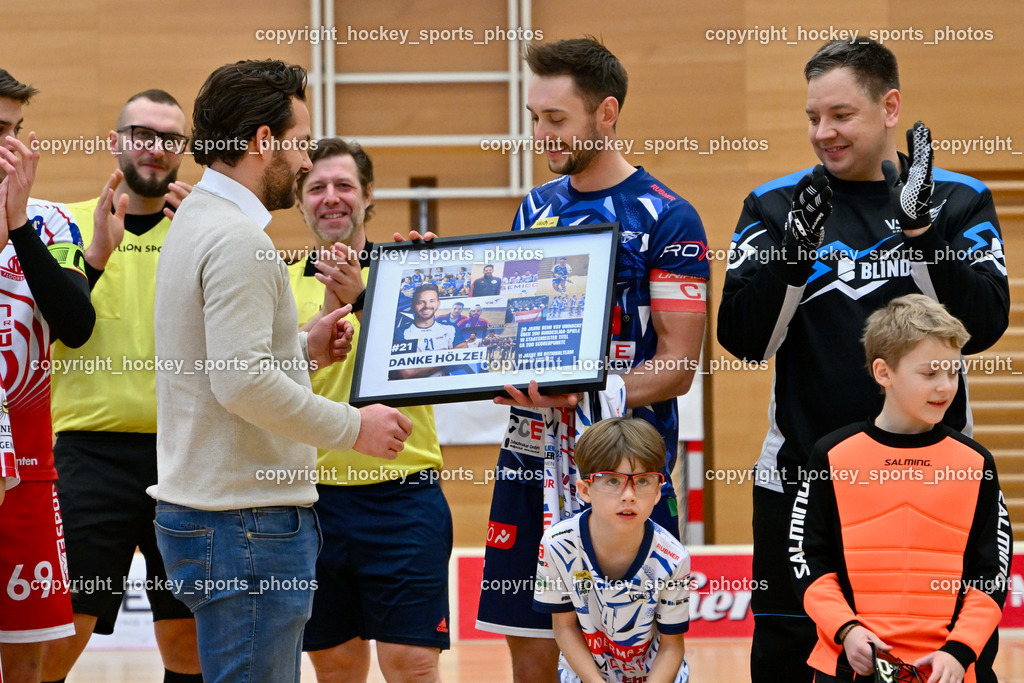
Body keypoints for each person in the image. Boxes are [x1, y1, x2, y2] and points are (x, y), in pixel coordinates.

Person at [716, 39, 1009, 683]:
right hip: (802, 482)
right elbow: (743, 342)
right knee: (795, 661)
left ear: (890, 106)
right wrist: (790, 257)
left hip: (934, 482)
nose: (824, 133)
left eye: (842, 115)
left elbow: (983, 328)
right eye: (813, 117)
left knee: (941, 665)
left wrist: (924, 238)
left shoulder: (957, 201)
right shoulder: (773, 205)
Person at [151, 59, 412, 683]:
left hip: (220, 516)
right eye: (298, 144)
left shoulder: (197, 220)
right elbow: (240, 381)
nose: (304, 164)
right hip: (247, 523)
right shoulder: (239, 238)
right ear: (262, 141)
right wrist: (354, 428)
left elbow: (220, 364)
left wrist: (298, 350)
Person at [477, 38, 708, 683]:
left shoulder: (670, 216)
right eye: (535, 119)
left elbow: (680, 363)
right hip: (530, 452)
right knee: (529, 637)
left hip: (623, 462)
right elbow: (510, 340)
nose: (542, 134)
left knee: (631, 651)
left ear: (606, 113)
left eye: (557, 119)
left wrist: (587, 393)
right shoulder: (535, 209)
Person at [42, 89, 200, 683]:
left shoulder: (204, 233)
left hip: (184, 459)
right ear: (116, 141)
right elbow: (49, 330)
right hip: (86, 460)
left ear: (185, 149)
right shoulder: (66, 225)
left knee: (189, 647)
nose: (154, 148)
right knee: (59, 637)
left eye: (169, 138)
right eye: (141, 133)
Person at [288, 137, 452, 682]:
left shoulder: (415, 274)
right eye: (317, 187)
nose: (331, 198)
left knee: (411, 664)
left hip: (403, 498)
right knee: (335, 667)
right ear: (300, 198)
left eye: (343, 186)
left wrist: (364, 301)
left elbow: (440, 367)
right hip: (312, 503)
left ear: (368, 196)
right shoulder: (276, 281)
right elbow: (266, 383)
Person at [792, 294, 1011, 683]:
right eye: (929, 374)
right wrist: (847, 629)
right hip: (848, 666)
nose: (946, 387)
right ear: (883, 372)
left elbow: (991, 574)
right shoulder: (831, 455)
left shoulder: (976, 464)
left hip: (953, 669)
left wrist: (960, 651)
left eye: (953, 372)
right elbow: (806, 558)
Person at [0, 68, 95, 683]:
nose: (6, 148)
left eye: (13, 131)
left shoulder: (53, 223)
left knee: (29, 660)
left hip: (31, 471)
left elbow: (76, 322)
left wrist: (16, 225)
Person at [534, 417, 689, 683]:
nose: (628, 494)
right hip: (584, 676)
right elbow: (564, 628)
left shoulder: (673, 557)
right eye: (612, 481)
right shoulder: (556, 544)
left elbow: (672, 646)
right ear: (585, 490)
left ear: (657, 492)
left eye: (642, 481)